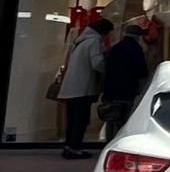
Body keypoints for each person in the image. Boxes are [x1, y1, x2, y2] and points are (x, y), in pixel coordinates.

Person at [60, 17, 111, 159]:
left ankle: (69, 146)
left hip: (71, 87)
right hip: (83, 87)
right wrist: (108, 71)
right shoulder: (94, 41)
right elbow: (97, 62)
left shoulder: (81, 41)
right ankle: (75, 148)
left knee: (72, 119)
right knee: (80, 119)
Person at [100, 22, 150, 140]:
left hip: (110, 89)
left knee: (111, 117)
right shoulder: (136, 49)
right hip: (127, 90)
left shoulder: (115, 48)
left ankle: (109, 141)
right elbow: (141, 71)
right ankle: (120, 141)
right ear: (138, 37)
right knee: (124, 118)